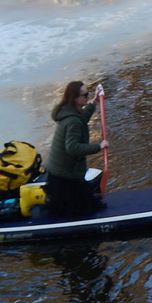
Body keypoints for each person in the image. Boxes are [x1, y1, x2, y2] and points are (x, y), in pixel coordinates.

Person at [41, 80, 105, 217]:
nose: (87, 97)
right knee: (83, 210)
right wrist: (98, 147)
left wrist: (93, 102)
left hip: (60, 173)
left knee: (89, 203)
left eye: (88, 94)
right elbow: (72, 148)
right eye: (85, 95)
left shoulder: (69, 111)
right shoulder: (73, 121)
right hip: (65, 176)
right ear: (75, 98)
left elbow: (82, 119)